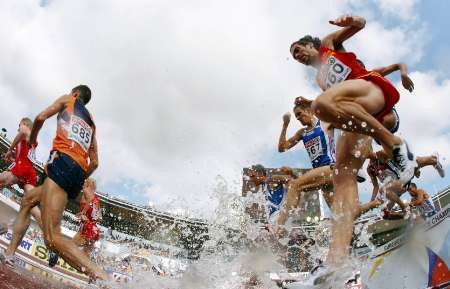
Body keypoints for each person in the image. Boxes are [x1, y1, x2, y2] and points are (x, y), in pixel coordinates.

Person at [290, 15, 416, 185]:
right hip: (361, 115)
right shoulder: (320, 79)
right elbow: (332, 104)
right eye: (294, 57)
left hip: (374, 100)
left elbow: (361, 24)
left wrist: (353, 21)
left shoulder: (328, 45)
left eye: (297, 50)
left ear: (310, 45)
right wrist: (309, 103)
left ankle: (378, 153)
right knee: (330, 117)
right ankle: (393, 164)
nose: (297, 56)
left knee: (379, 123)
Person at [1, 85, 107, 280]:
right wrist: (77, 175)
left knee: (52, 238)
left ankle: (102, 278)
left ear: (75, 93)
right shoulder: (91, 123)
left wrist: (32, 140)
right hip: (77, 172)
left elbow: (40, 118)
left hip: (62, 162)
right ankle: (9, 254)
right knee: (28, 200)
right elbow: (95, 162)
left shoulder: (68, 99)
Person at [0, 117, 43, 266]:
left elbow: (23, 132)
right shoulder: (28, 141)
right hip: (29, 172)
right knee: (31, 207)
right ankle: (47, 227)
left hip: (23, 168)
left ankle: (2, 224)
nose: (18, 128)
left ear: (24, 124)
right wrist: (11, 157)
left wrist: (9, 149)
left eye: (19, 125)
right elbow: (23, 156)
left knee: (1, 179)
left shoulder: (27, 131)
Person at [49, 178, 101, 267]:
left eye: (85, 182)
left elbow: (90, 200)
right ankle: (95, 275)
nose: (83, 184)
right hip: (94, 229)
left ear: (88, 184)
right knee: (85, 258)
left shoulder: (86, 191)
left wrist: (83, 212)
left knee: (70, 247)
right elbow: (99, 217)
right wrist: (89, 218)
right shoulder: (97, 199)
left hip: (87, 228)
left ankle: (55, 257)